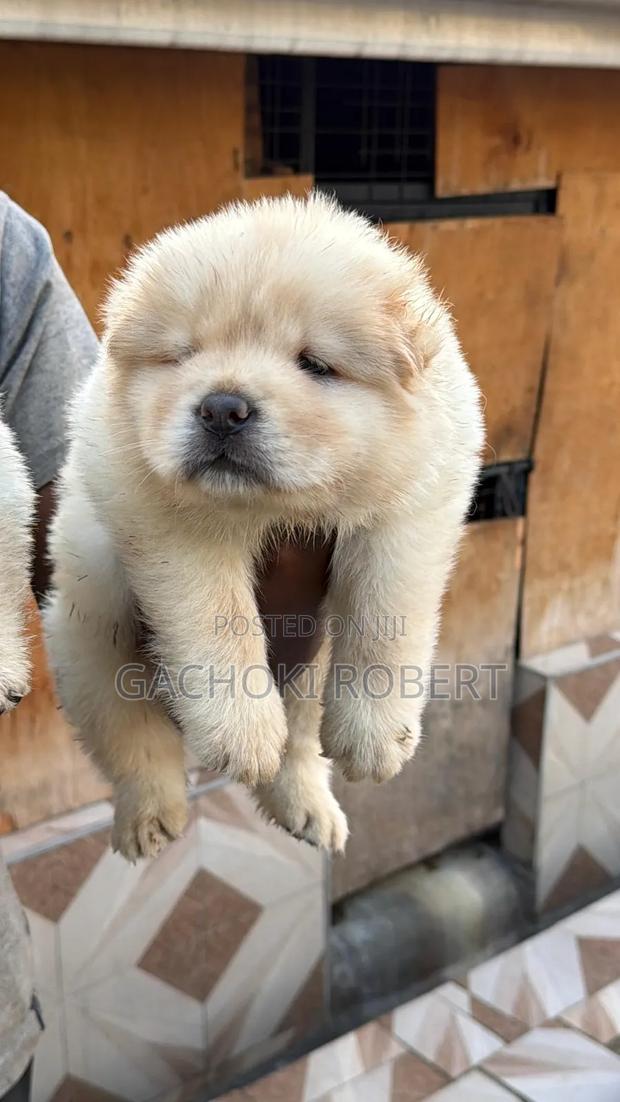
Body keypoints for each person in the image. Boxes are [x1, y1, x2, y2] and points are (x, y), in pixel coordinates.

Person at [0, 193, 330, 1100]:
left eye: (308, 358)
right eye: (184, 354)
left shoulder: (5, 252)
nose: (222, 390)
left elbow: (84, 537)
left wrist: (283, 611)